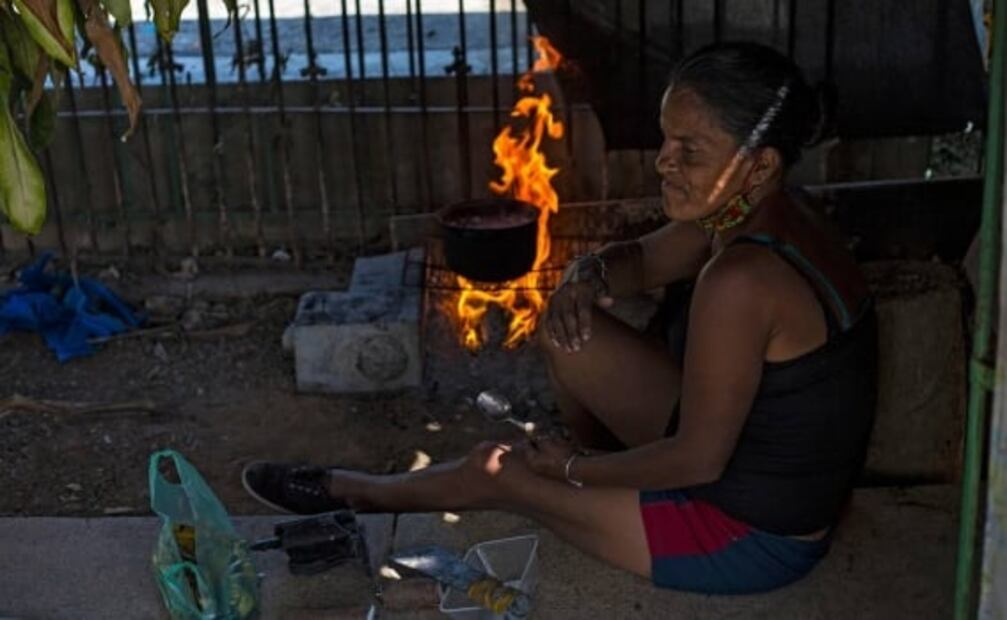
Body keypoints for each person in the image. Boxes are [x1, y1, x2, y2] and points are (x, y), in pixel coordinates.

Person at [242, 42, 878, 595]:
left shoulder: (742, 280)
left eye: (690, 149)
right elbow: (640, 259)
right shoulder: (761, 212)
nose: (664, 162)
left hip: (748, 533)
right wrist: (586, 276)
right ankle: (604, 485)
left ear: (759, 163)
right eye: (666, 140)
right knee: (570, 333)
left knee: (503, 471)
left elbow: (698, 462)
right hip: (744, 466)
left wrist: (570, 470)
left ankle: (356, 492)